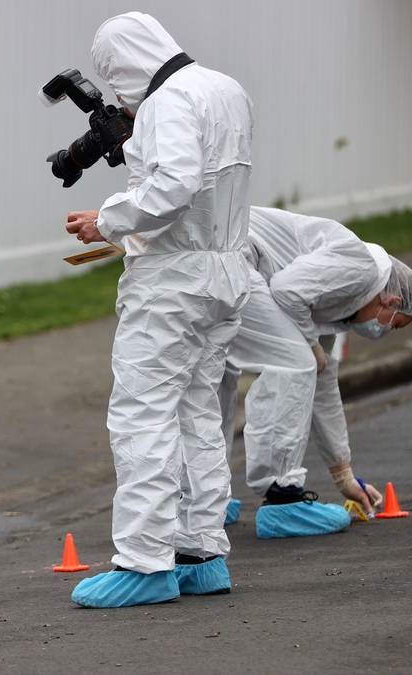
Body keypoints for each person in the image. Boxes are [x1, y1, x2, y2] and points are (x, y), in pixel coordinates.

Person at [64, 12, 254, 607]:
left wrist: (107, 221)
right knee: (199, 410)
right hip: (224, 271)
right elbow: (201, 186)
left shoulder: (168, 102)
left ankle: (144, 562)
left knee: (143, 415)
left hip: (173, 281)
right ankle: (201, 552)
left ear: (121, 64)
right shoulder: (225, 89)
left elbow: (172, 187)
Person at [219, 206, 412, 538]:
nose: (385, 331)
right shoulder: (359, 268)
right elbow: (287, 290)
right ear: (391, 300)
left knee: (218, 374)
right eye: (395, 324)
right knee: (294, 361)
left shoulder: (338, 304)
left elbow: (325, 388)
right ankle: (281, 498)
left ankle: (205, 500)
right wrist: (310, 345)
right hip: (236, 256)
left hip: (220, 251)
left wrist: (343, 474)